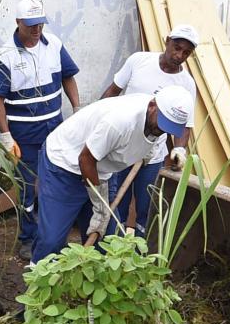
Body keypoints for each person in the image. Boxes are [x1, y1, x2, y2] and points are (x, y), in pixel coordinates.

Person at [32, 93, 187, 260]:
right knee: (51, 241)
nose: (163, 130)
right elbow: (85, 159)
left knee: (108, 241)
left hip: (102, 170)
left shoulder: (158, 121)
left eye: (169, 127)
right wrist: (99, 205)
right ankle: (37, 281)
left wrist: (150, 150)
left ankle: (91, 282)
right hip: (65, 164)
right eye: (162, 124)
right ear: (152, 107)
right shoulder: (120, 121)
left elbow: (154, 138)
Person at [0, 0, 80, 260]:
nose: (37, 29)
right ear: (18, 23)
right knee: (27, 188)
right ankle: (28, 238)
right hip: (24, 137)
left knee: (56, 183)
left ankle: (52, 238)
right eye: (31, 25)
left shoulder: (54, 46)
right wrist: (7, 137)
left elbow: (68, 76)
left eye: (40, 23)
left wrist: (77, 109)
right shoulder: (5, 57)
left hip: (55, 130)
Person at [97, 26, 199, 231]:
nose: (179, 55)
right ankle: (115, 248)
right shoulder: (138, 61)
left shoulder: (186, 84)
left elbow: (185, 125)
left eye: (186, 53)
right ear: (167, 40)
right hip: (122, 150)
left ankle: (140, 252)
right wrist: (97, 121)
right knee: (118, 203)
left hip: (152, 155)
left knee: (147, 207)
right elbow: (112, 91)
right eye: (176, 47)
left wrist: (179, 149)